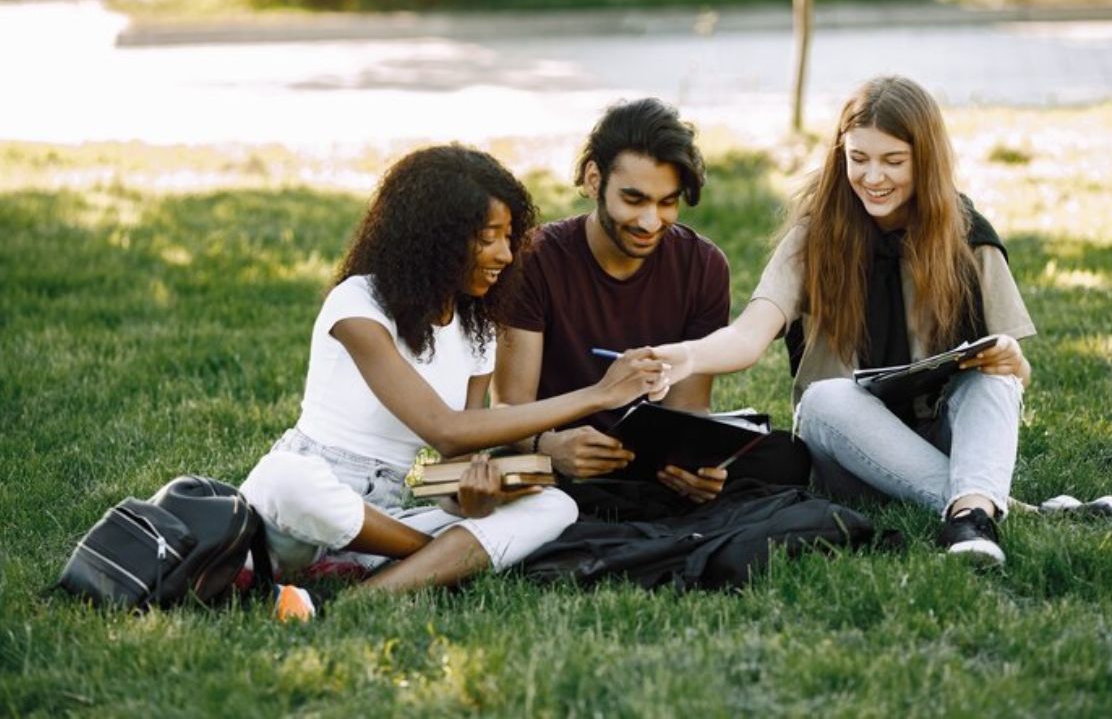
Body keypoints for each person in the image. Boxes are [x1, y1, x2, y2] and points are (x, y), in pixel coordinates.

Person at [239, 145, 666, 619]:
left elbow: (451, 468)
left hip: (384, 516)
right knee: (287, 479)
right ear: (436, 239)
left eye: (509, 236)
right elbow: (444, 428)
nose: (506, 254)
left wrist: (474, 497)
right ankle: (430, 561)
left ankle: (355, 598)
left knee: (555, 506)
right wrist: (598, 394)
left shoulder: (474, 332)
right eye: (489, 238)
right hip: (297, 513)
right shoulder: (357, 304)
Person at [651, 76, 1036, 564]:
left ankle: (970, 515)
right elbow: (748, 337)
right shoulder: (815, 237)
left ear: (927, 160)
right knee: (826, 395)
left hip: (935, 432)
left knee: (993, 377)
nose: (873, 177)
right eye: (858, 159)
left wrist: (1013, 360)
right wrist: (681, 356)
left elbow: (1016, 383)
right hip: (842, 445)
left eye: (893, 161)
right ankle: (987, 504)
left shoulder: (968, 238)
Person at [493, 98, 809, 514]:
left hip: (646, 463)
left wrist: (694, 466)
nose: (650, 221)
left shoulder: (703, 265)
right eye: (634, 199)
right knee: (506, 472)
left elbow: (689, 408)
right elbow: (509, 408)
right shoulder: (535, 259)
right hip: (560, 454)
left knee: (786, 457)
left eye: (667, 202)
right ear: (593, 179)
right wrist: (549, 445)